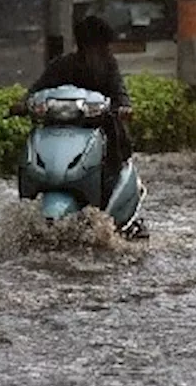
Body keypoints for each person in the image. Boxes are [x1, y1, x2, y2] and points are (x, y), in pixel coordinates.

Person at [19, 15, 146, 237]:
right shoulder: (62, 65)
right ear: (85, 45)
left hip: (102, 131)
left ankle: (109, 207)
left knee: (113, 160)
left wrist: (123, 107)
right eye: (99, 46)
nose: (103, 51)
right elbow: (37, 89)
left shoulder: (108, 66)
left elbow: (120, 93)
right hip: (58, 131)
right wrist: (23, 104)